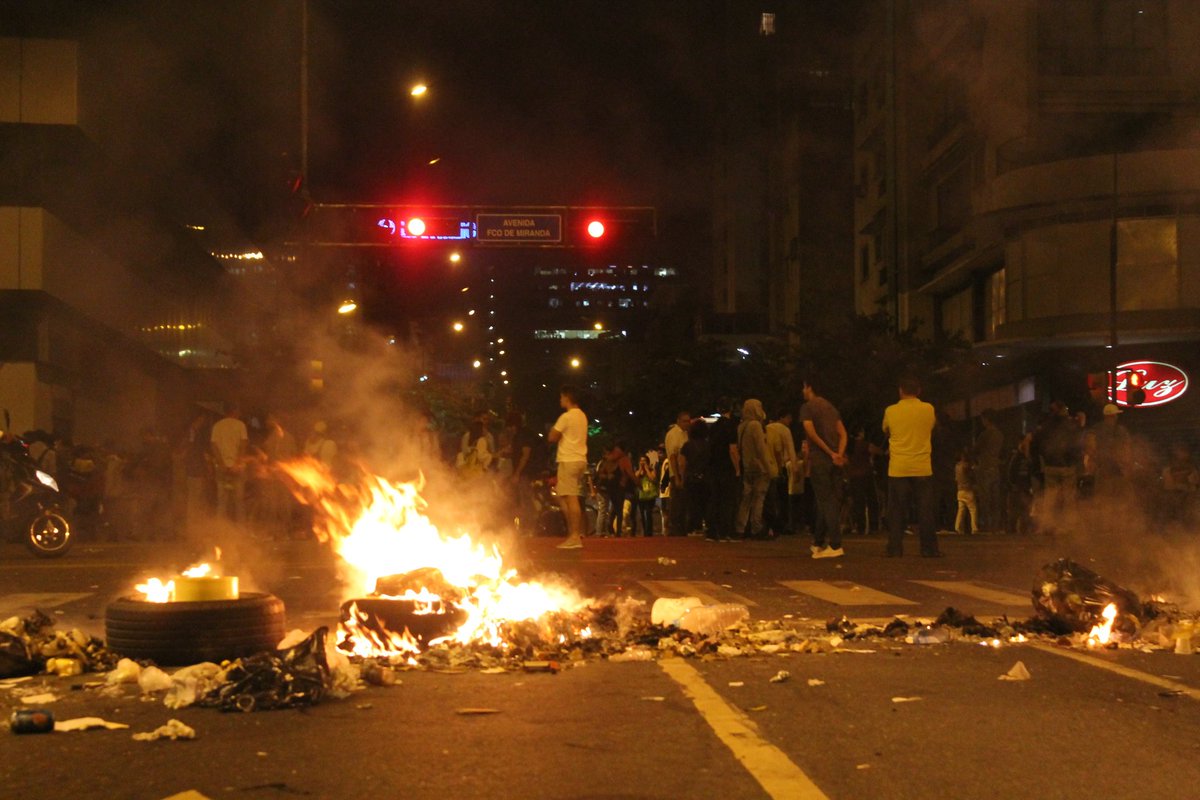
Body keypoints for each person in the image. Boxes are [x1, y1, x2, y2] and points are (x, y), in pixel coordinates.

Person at [882, 375, 939, 557]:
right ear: (919, 391)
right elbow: (931, 427)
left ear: (900, 391)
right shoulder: (928, 409)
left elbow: (886, 429)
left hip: (898, 466)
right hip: (922, 466)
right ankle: (929, 549)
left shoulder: (891, 411)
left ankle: (895, 548)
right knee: (925, 510)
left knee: (897, 510)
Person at [801, 380, 848, 558]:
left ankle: (835, 545)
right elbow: (843, 434)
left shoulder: (808, 407)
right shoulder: (831, 408)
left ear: (810, 387)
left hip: (820, 460)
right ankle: (818, 542)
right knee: (827, 500)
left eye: (804, 387)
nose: (803, 390)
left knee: (826, 501)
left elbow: (811, 433)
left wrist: (829, 452)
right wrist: (839, 454)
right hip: (835, 462)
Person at [1030, 401, 1082, 535]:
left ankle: (1047, 524)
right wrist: (1075, 462)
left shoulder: (1046, 426)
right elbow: (1077, 446)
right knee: (1068, 498)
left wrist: (1039, 462)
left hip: (1050, 465)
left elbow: (1035, 445)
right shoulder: (1071, 426)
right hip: (1067, 466)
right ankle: (1068, 526)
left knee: (1050, 497)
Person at [548, 385, 588, 549]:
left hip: (568, 460)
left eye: (561, 397)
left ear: (567, 397)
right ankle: (574, 534)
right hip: (580, 459)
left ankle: (574, 536)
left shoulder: (567, 416)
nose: (560, 400)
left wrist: (554, 430)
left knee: (570, 498)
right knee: (568, 496)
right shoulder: (582, 416)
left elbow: (552, 437)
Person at [736, 398, 772, 540]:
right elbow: (761, 449)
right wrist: (768, 467)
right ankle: (757, 527)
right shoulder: (756, 425)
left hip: (746, 466)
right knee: (759, 497)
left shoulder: (741, 426)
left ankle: (740, 527)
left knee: (745, 498)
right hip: (759, 467)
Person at [706, 398, 741, 542]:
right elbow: (732, 449)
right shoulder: (731, 426)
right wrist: (737, 467)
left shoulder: (714, 427)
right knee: (728, 500)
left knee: (715, 498)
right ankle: (726, 531)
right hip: (726, 466)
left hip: (714, 466)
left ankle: (712, 531)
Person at [210, 403, 248, 523]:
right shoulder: (240, 425)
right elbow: (243, 444)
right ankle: (240, 529)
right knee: (239, 501)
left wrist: (221, 463)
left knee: (222, 501)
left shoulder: (217, 426)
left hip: (221, 467)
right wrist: (237, 463)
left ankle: (221, 528)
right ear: (235, 411)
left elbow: (213, 445)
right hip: (237, 468)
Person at [765, 409, 797, 536]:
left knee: (769, 497)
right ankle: (782, 524)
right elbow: (790, 449)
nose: (790, 421)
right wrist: (794, 468)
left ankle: (770, 524)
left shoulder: (767, 428)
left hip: (767, 466)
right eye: (789, 418)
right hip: (780, 466)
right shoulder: (785, 430)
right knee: (783, 498)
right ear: (782, 417)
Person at [1090, 403, 1131, 499]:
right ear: (1112, 416)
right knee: (1118, 496)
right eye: (1115, 415)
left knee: (1103, 496)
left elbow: (1091, 448)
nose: (1116, 417)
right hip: (1117, 469)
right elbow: (1126, 448)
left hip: (1102, 467)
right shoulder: (1121, 431)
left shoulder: (1096, 429)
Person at [973, 412, 1004, 531]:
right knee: (995, 498)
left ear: (986, 419)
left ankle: (986, 525)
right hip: (995, 468)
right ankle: (996, 525)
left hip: (984, 467)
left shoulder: (985, 434)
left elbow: (975, 449)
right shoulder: (1000, 434)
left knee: (985, 498)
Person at [679, 420, 711, 537]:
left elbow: (682, 464)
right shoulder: (709, 445)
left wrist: (682, 478)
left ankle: (693, 527)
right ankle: (706, 525)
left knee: (692, 504)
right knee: (705, 503)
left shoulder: (687, 446)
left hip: (691, 478)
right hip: (706, 478)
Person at [597, 441, 636, 536]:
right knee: (616, 510)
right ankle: (614, 530)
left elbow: (602, 473)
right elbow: (630, 473)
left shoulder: (612, 460)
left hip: (615, 487)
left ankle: (614, 529)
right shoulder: (618, 460)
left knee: (616, 509)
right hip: (615, 488)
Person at [846, 428, 880, 535]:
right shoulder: (863, 444)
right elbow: (876, 450)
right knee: (872, 500)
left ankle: (860, 526)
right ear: (860, 433)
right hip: (866, 475)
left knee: (858, 502)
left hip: (854, 476)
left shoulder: (849, 446)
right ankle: (873, 525)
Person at [663, 411, 691, 536]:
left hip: (683, 471)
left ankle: (680, 527)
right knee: (677, 501)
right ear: (678, 421)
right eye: (685, 421)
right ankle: (674, 527)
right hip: (677, 472)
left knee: (683, 502)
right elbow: (673, 456)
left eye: (688, 421)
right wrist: (677, 476)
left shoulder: (685, 433)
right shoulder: (674, 434)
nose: (687, 423)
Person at [1006, 433, 1035, 535]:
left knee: (1025, 511)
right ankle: (1012, 531)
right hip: (1017, 488)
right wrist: (1013, 485)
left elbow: (1031, 473)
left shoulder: (1027, 458)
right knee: (1015, 512)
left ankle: (1022, 531)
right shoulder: (1016, 457)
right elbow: (1010, 473)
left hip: (1025, 488)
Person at [633, 455, 659, 536]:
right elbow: (635, 479)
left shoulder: (651, 470)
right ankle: (644, 530)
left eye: (644, 461)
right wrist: (640, 469)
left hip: (650, 495)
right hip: (641, 495)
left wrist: (647, 469)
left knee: (648, 513)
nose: (643, 462)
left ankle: (649, 531)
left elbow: (653, 478)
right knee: (641, 514)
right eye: (641, 461)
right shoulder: (638, 471)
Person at [954, 449, 978, 535]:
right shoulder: (967, 466)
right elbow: (972, 475)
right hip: (968, 490)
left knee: (961, 510)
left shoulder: (957, 466)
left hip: (959, 490)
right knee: (973, 510)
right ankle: (974, 528)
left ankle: (957, 527)